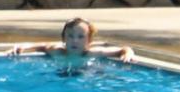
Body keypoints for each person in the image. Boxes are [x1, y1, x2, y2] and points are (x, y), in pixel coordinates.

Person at [7, 17, 135, 63]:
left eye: (80, 37)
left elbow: (123, 49)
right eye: (70, 36)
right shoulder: (58, 51)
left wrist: (127, 53)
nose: (74, 41)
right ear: (63, 39)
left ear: (89, 41)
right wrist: (23, 48)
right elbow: (42, 46)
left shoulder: (93, 53)